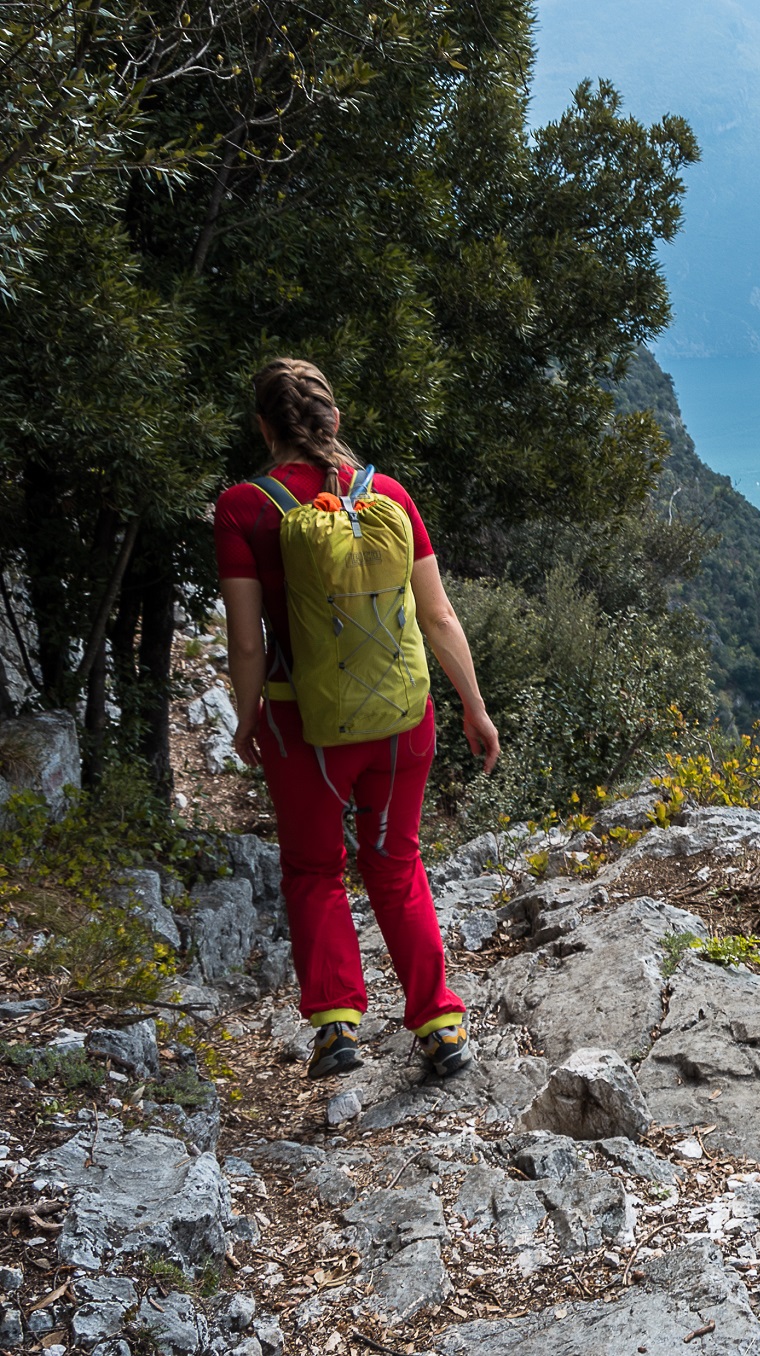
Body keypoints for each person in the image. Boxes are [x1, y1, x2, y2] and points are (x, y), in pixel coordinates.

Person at [214, 358, 500, 1081]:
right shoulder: (390, 497)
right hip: (405, 722)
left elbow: (247, 641)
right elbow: (437, 616)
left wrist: (245, 717)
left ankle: (338, 1026)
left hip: (302, 725)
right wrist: (473, 703)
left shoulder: (245, 509)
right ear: (334, 422)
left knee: (314, 869)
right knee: (396, 863)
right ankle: (439, 1025)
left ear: (263, 427)